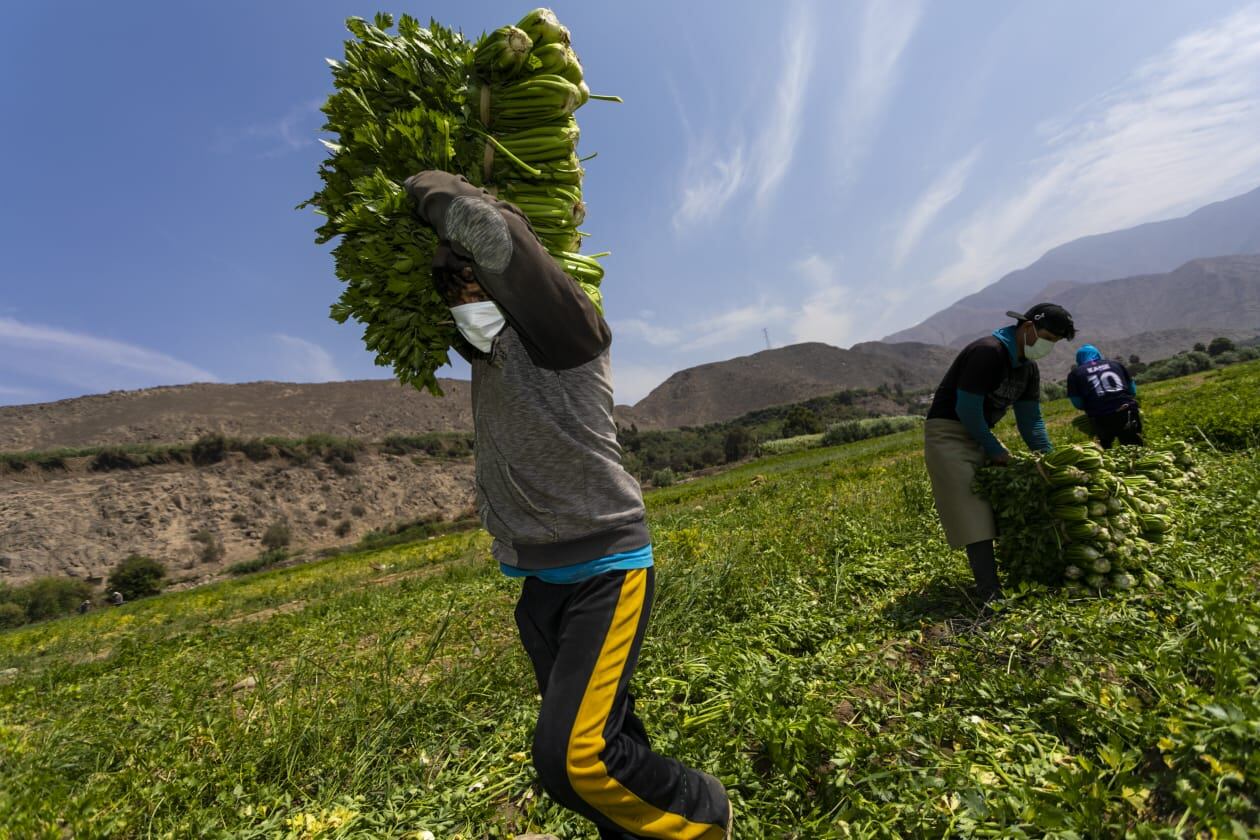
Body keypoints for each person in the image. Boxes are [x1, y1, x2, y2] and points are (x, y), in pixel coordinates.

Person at [404, 170, 732, 840]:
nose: (466, 294)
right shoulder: (491, 355)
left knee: (574, 761)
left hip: (603, 571)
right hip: (541, 582)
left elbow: (491, 231)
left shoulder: (568, 333)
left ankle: (703, 813)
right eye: (455, 288)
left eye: (475, 281)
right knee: (611, 732)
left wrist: (424, 186)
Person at [923, 304, 1076, 604]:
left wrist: (1051, 462)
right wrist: (994, 448)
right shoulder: (988, 352)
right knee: (972, 509)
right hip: (949, 434)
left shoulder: (1028, 369)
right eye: (1046, 338)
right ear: (1028, 327)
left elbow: (1031, 421)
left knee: (1006, 502)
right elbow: (967, 408)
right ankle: (989, 593)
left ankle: (1019, 575)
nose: (1048, 346)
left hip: (980, 433)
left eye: (1054, 342)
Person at [1066, 344, 1142, 448]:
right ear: (1098, 354)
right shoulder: (1116, 365)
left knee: (1105, 450)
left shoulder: (1075, 374)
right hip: (1127, 411)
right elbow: (1132, 391)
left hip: (1101, 417)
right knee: (1134, 448)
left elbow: (1078, 404)